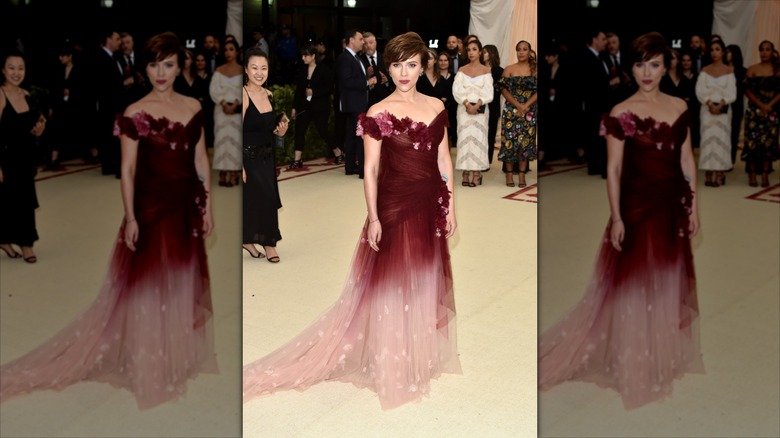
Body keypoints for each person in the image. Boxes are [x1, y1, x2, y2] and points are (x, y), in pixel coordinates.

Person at [243, 31, 460, 410]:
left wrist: (452, 206)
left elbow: (444, 160)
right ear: (387, 67)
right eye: (396, 64)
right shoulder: (377, 112)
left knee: (424, 278)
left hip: (429, 204)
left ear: (423, 64)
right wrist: (373, 217)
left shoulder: (438, 107)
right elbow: (371, 169)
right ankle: (392, 363)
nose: (404, 72)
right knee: (392, 284)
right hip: (393, 205)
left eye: (411, 64)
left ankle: (415, 357)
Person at [0, 32, 218, 409]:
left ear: (180, 63)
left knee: (181, 281)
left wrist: (209, 205)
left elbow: (201, 160)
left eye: (167, 64)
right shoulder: (134, 111)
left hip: (186, 206)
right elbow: (129, 170)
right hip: (149, 208)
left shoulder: (194, 105)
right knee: (149, 287)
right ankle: (150, 362)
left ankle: (173, 357)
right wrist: (130, 217)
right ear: (144, 67)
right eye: (153, 64)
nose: (160, 72)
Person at [538, 32, 703, 411]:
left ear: (667, 65)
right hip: (636, 206)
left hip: (672, 205)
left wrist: (694, 208)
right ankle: (634, 357)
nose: (647, 72)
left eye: (655, 64)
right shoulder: (620, 112)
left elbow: (687, 161)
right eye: (640, 64)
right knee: (633, 283)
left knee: (666, 278)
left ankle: (658, 353)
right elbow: (613, 170)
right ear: (630, 67)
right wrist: (616, 217)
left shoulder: (679, 106)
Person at [242, 47, 289, 263]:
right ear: (245, 69)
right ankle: (269, 244)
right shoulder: (241, 95)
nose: (259, 72)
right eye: (254, 68)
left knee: (263, 200)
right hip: (248, 159)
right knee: (259, 200)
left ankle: (250, 240)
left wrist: (281, 131)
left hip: (268, 157)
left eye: (264, 68)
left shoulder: (268, 94)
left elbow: (270, 129)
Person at [0, 50, 46, 263]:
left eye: (21, 68)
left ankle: (25, 243)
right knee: (7, 202)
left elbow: (35, 126)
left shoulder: (27, 94)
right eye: (11, 68)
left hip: (25, 157)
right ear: (3, 70)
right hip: (5, 157)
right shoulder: (0, 94)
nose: (16, 73)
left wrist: (38, 130)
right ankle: (14, 242)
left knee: (25, 201)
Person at [287, 44, 341, 169]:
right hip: (305, 106)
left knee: (323, 130)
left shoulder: (324, 69)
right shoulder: (302, 70)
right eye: (302, 55)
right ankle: (297, 159)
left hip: (320, 106)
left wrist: (314, 92)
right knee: (299, 129)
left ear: (313, 56)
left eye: (305, 55)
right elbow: (299, 91)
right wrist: (295, 107)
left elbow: (329, 88)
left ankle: (337, 152)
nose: (303, 58)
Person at [695, 39, 736, 187]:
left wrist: (721, 105)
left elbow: (733, 93)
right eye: (712, 50)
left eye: (717, 49)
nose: (714, 53)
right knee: (707, 139)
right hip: (707, 110)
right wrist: (711, 104)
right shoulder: (705, 70)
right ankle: (708, 171)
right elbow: (699, 91)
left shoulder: (729, 71)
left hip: (724, 111)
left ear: (723, 52)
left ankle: (720, 172)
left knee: (722, 139)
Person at [452, 38, 493, 187]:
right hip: (464, 110)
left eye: (474, 49)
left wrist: (478, 105)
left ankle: (477, 173)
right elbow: (456, 91)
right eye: (468, 50)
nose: (471, 52)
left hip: (481, 111)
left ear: (480, 52)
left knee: (479, 138)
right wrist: (468, 104)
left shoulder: (486, 71)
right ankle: (465, 172)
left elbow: (489, 92)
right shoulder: (462, 70)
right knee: (464, 138)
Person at [498, 41, 537, 187]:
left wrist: (526, 105)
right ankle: (509, 174)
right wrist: (518, 105)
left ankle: (521, 175)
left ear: (529, 51)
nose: (521, 52)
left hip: (530, 111)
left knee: (525, 143)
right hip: (511, 111)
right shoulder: (509, 69)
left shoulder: (535, 70)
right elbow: (503, 89)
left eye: (524, 49)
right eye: (519, 50)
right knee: (509, 143)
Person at [742, 40, 780, 187]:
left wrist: (769, 105)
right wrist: (761, 105)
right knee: (752, 144)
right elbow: (746, 90)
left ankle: (765, 174)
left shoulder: (777, 70)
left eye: (767, 49)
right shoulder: (752, 69)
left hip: (771, 111)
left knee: (768, 143)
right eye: (762, 50)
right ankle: (752, 174)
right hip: (754, 111)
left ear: (772, 52)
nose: (764, 52)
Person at [209, 39, 243, 187]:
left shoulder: (243, 70)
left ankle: (234, 172)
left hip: (236, 110)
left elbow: (246, 89)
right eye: (226, 50)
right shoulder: (218, 70)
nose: (228, 52)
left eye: (231, 49)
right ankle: (223, 172)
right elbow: (213, 90)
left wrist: (235, 103)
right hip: (221, 110)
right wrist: (224, 103)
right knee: (221, 141)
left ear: (236, 52)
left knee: (235, 140)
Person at [482, 44, 504, 167]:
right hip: (479, 106)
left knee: (490, 134)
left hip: (493, 106)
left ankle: (487, 160)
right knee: (480, 133)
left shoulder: (499, 70)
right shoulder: (478, 69)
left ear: (491, 54)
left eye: (485, 52)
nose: (482, 54)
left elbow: (499, 89)